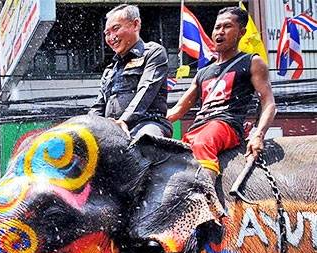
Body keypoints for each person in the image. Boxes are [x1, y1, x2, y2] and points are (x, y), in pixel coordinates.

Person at [167, 6, 276, 176]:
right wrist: (144, 123)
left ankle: (206, 201)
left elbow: (269, 103)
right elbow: (176, 111)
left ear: (242, 32)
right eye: (217, 27)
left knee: (203, 143)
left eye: (227, 26)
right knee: (174, 156)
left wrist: (259, 135)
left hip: (227, 125)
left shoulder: (252, 61)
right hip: (200, 126)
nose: (220, 32)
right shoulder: (203, 72)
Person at [89, 4, 171, 138]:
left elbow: (146, 89)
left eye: (116, 29)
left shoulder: (153, 52)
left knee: (144, 143)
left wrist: (124, 120)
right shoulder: (109, 70)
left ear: (136, 25)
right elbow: (98, 107)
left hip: (148, 123)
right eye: (107, 33)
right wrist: (87, 125)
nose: (111, 37)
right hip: (112, 129)